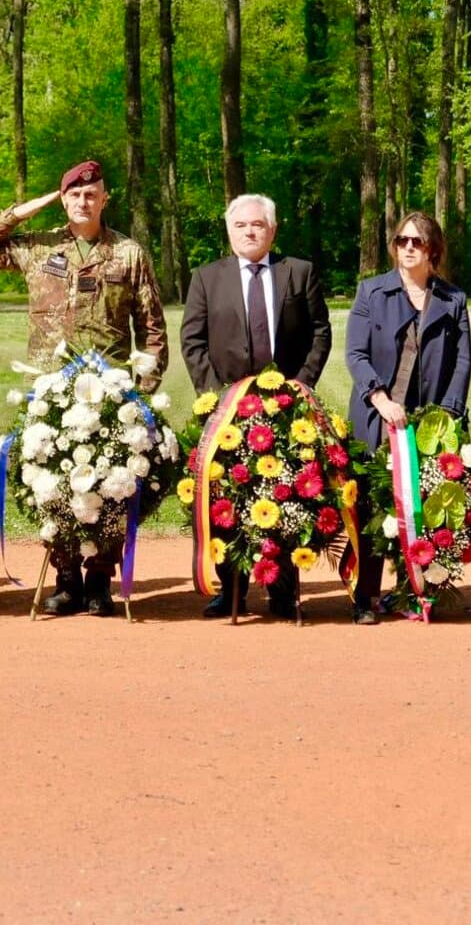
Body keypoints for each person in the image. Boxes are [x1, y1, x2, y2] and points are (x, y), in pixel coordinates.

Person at [0, 158, 168, 616]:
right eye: (73, 193)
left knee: (110, 485)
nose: (83, 200)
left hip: (111, 390)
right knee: (53, 484)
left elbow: (152, 327)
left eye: (91, 193)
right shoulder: (38, 247)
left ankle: (99, 581)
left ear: (105, 198)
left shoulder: (129, 253)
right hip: (49, 390)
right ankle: (65, 579)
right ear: (63, 199)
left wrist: (142, 388)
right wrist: (26, 210)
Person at [180, 193, 332, 621]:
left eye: (258, 225)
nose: (250, 231)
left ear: (273, 230)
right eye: (241, 226)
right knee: (227, 497)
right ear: (229, 231)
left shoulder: (298, 273)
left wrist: (301, 386)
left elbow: (320, 332)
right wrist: (215, 397)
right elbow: (192, 340)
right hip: (226, 409)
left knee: (285, 495)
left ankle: (282, 590)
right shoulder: (207, 278)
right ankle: (229, 589)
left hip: (286, 407)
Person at [344, 211, 471, 623]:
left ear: (433, 248)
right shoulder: (371, 292)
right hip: (378, 419)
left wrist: (445, 416)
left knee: (421, 508)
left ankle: (411, 590)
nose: (408, 248)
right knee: (372, 507)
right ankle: (364, 597)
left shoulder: (454, 300)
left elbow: (463, 362)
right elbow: (356, 355)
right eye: (402, 241)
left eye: (417, 242)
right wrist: (380, 400)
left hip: (430, 422)